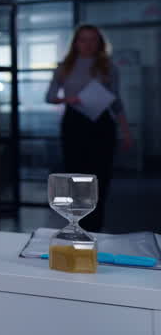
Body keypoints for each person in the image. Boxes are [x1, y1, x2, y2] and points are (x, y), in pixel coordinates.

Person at [45, 24, 133, 233]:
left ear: (100, 43)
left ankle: (95, 228)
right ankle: (78, 226)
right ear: (76, 43)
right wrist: (69, 99)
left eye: (93, 39)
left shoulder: (108, 67)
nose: (88, 44)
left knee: (100, 177)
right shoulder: (64, 67)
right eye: (83, 39)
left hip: (102, 124)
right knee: (76, 177)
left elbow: (116, 101)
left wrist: (126, 131)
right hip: (75, 124)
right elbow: (49, 97)